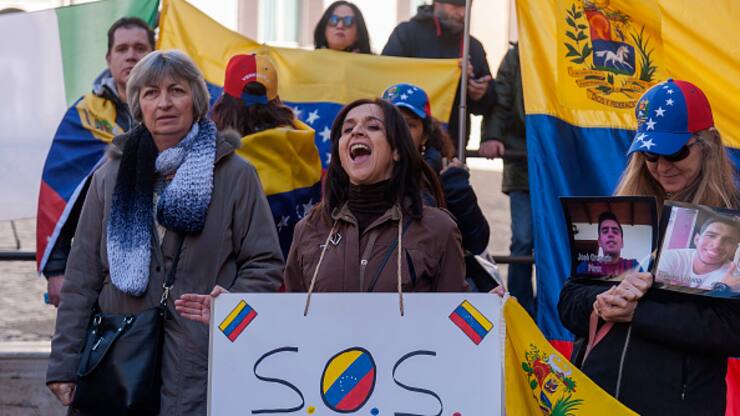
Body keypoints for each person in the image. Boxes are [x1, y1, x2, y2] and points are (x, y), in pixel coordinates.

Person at [46, 50, 284, 415]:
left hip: (202, 366)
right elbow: (82, 278)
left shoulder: (236, 174)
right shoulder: (109, 177)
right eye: (151, 93)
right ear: (138, 104)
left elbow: (265, 264)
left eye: (177, 90)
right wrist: (64, 365)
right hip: (118, 364)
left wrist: (228, 307)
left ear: (197, 100)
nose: (165, 103)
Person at [176, 98, 468, 326]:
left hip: (408, 394)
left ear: (397, 151)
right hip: (325, 399)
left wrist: (490, 314)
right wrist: (232, 315)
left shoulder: (438, 228)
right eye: (347, 128)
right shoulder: (310, 229)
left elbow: (458, 325)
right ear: (341, 151)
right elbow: (291, 323)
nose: (357, 131)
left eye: (373, 126)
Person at [558, 79, 740, 415]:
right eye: (650, 154)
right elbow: (569, 301)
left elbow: (732, 328)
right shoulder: (622, 212)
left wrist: (640, 314)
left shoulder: (734, 220)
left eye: (674, 152)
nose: (661, 166)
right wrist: (599, 304)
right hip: (596, 397)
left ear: (708, 145)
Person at [37, 17, 155, 307]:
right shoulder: (84, 116)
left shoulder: (176, 111)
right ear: (109, 58)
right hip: (98, 265)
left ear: (153, 53)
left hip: (163, 263)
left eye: (140, 47)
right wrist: (56, 271)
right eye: (122, 48)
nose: (131, 55)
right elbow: (59, 197)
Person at [211, 53, 322, 256]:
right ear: (275, 99)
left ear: (225, 100)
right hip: (301, 275)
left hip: (247, 280)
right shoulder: (304, 146)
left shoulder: (220, 160)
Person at [382, 0, 496, 151]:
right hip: (405, 142)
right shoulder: (406, 34)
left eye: (465, 7)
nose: (461, 13)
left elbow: (488, 105)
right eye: (454, 6)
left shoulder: (473, 46)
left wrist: (480, 93)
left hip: (453, 147)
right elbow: (387, 81)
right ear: (437, 3)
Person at [479, 42, 535, 314]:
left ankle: (555, 306)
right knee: (523, 239)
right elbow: (500, 100)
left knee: (560, 239)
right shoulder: (517, 55)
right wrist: (491, 135)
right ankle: (520, 310)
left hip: (560, 161)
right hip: (523, 161)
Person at [656, 217, 740, 291]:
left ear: (735, 249)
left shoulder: (734, 276)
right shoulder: (670, 257)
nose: (717, 245)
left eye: (729, 241)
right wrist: (721, 288)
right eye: (711, 236)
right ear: (696, 239)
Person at [575, 211, 641, 277]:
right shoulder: (586, 266)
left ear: (622, 243)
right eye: (605, 231)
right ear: (599, 242)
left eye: (615, 232)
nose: (610, 234)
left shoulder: (633, 265)